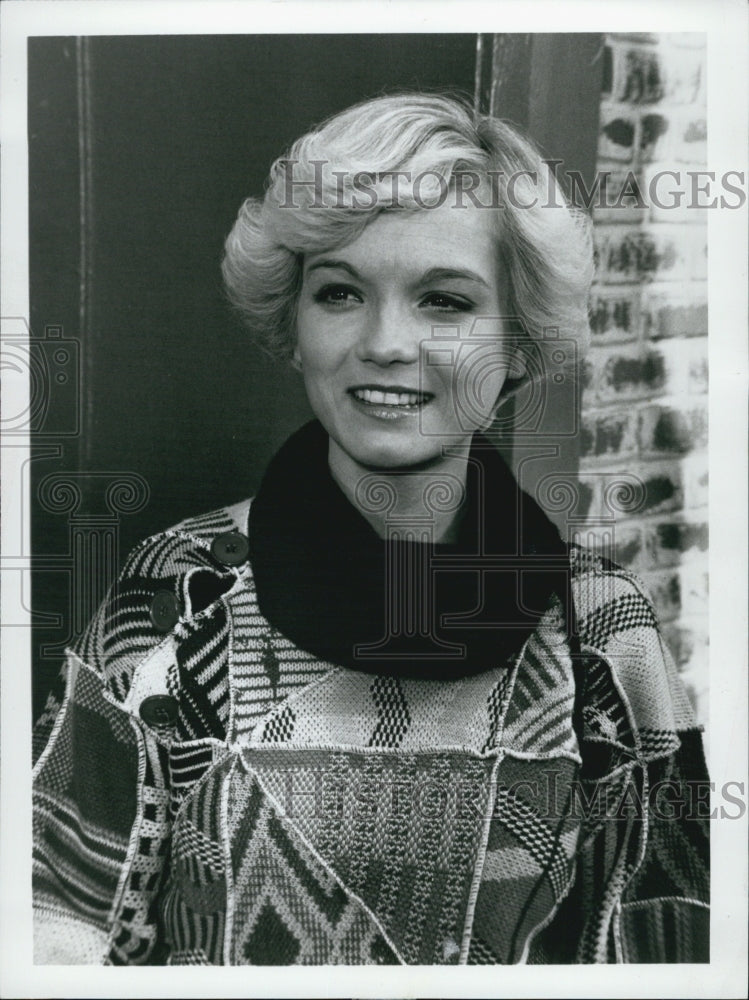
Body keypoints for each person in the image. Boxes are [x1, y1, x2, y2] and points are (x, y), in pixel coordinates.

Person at [32, 92, 709, 965]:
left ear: (519, 341)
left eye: (445, 302)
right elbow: (55, 920)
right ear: (293, 322)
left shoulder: (599, 631)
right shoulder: (176, 591)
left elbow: (671, 941)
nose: (387, 343)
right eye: (341, 292)